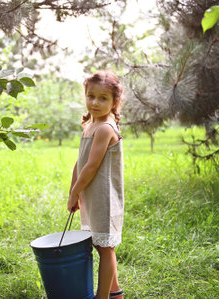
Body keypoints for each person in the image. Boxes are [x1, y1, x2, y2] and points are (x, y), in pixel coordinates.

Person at [68, 70, 124, 299]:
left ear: (114, 102)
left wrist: (75, 192)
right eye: (91, 96)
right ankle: (116, 293)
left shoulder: (104, 129)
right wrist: (73, 190)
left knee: (105, 248)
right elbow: (79, 162)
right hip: (91, 195)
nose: (95, 102)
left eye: (103, 98)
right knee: (101, 245)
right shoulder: (90, 126)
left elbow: (91, 167)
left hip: (104, 198)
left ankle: (102, 298)